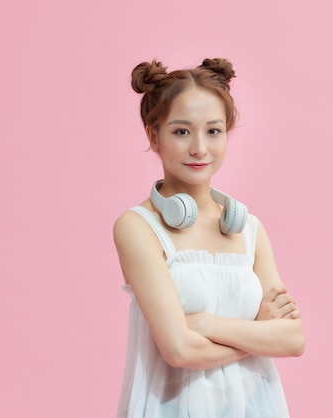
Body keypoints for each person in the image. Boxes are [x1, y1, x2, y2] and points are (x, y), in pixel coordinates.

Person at [113, 58, 305, 418]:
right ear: (153, 136)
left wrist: (208, 325)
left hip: (255, 407)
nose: (200, 148)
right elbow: (180, 351)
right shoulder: (137, 227)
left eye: (213, 131)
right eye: (182, 131)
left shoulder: (249, 230)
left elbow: (293, 339)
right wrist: (258, 333)